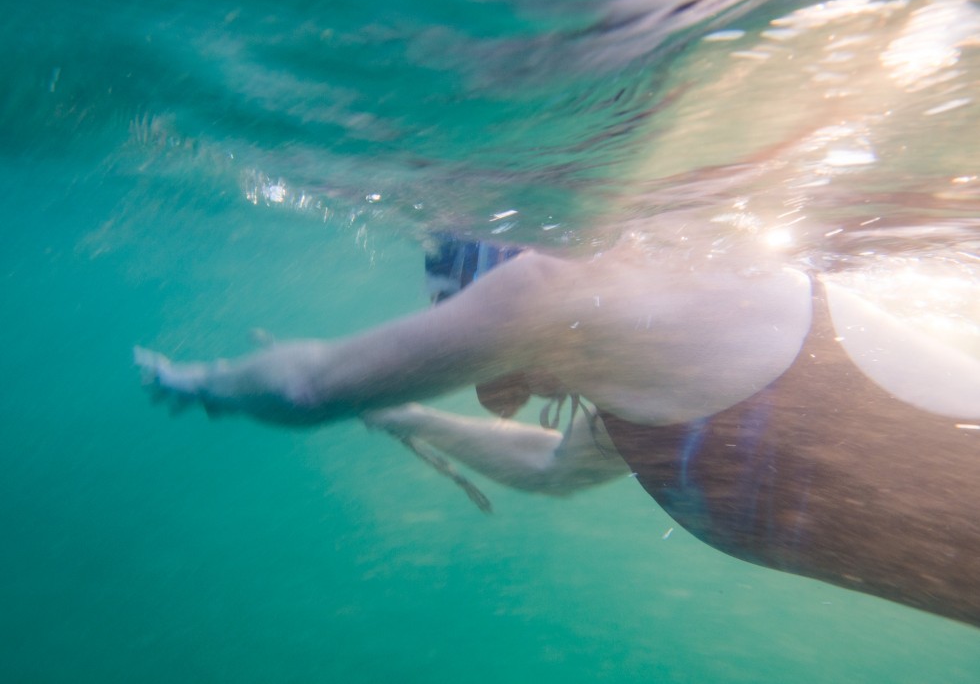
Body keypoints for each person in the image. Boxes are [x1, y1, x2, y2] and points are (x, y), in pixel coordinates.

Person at [135, 235, 980, 628]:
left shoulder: (602, 300)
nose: (494, 393)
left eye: (464, 321)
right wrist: (413, 415)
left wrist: (200, 379)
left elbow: (305, 383)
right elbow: (553, 468)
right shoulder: (647, 376)